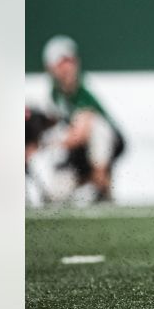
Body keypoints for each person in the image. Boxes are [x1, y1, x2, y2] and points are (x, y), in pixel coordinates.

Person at [41, 36, 125, 203]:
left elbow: (80, 133)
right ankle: (94, 184)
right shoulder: (55, 96)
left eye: (70, 61)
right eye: (62, 63)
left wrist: (47, 143)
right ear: (51, 67)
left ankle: (101, 182)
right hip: (79, 152)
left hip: (106, 144)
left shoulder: (81, 93)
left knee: (97, 128)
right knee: (55, 193)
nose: (68, 68)